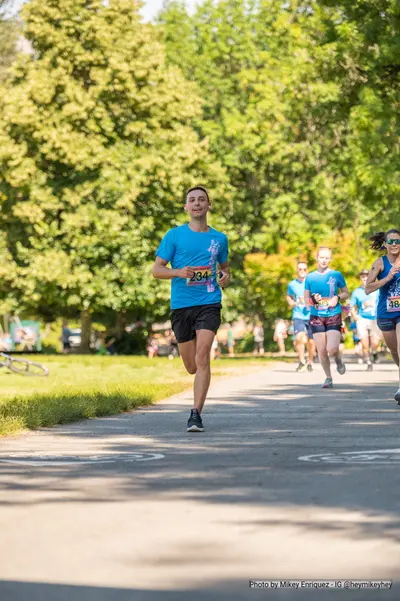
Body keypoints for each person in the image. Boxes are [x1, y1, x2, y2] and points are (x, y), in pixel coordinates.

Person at [152, 185, 229, 432]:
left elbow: (224, 268)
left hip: (209, 302)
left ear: (208, 205)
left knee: (203, 354)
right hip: (182, 305)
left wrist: (225, 277)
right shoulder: (174, 236)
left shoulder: (219, 238)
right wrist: (177, 272)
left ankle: (195, 414)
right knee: (191, 366)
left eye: (201, 200)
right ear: (186, 207)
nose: (196, 204)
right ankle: (195, 379)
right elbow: (157, 270)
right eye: (192, 200)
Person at [304, 247, 349, 389]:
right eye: (321, 257)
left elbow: (346, 293)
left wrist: (337, 297)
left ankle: (338, 359)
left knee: (332, 348)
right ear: (316, 258)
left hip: (333, 315)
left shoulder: (336, 275)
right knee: (322, 350)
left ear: (330, 259)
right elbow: (306, 299)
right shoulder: (310, 277)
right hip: (316, 316)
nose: (324, 260)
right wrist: (313, 299)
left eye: (327, 258)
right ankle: (328, 377)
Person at [365, 229, 400, 403]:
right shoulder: (380, 263)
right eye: (391, 242)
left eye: (397, 241)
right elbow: (368, 288)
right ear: (385, 244)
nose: (394, 245)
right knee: (394, 350)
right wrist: (388, 277)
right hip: (385, 313)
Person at [286, 261, 316, 372]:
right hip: (298, 315)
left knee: (311, 342)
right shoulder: (292, 284)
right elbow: (289, 296)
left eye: (304, 269)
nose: (302, 271)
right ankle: (302, 361)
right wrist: (291, 302)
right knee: (299, 338)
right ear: (297, 270)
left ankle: (310, 362)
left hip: (311, 315)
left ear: (307, 270)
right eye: (300, 269)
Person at [350, 269, 381, 371]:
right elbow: (351, 306)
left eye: (367, 276)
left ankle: (375, 352)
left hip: (375, 318)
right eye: (363, 276)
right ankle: (368, 362)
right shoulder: (357, 291)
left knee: (375, 342)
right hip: (362, 319)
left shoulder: (376, 289)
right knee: (364, 343)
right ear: (360, 278)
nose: (365, 278)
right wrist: (355, 316)